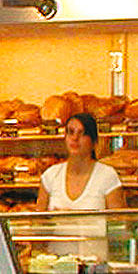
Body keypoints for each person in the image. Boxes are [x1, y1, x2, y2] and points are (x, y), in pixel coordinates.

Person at [38, 110, 124, 260]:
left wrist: (70, 219)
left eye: (82, 133)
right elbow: (37, 225)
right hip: (56, 264)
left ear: (94, 142)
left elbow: (120, 225)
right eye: (70, 132)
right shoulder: (50, 176)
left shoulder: (107, 176)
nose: (75, 138)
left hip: (95, 265)